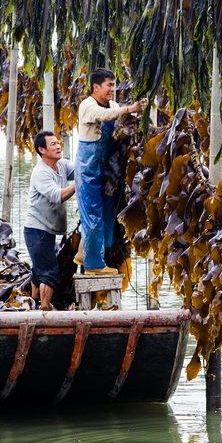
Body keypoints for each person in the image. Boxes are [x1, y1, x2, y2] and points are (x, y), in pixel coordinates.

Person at [76, 68, 147, 275]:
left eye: (113, 85)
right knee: (93, 215)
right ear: (95, 87)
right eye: (108, 85)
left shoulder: (115, 105)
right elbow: (104, 116)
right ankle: (94, 265)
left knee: (107, 214)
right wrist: (129, 109)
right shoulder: (87, 105)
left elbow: (121, 117)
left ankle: (85, 252)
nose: (112, 90)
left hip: (107, 168)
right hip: (89, 169)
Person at [24, 131, 75, 310]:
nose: (58, 146)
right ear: (42, 150)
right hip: (36, 230)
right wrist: (79, 184)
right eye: (52, 144)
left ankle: (33, 305)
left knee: (39, 271)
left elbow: (80, 170)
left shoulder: (61, 165)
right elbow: (57, 196)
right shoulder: (40, 173)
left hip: (48, 229)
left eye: (57, 142)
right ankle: (45, 311)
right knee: (49, 273)